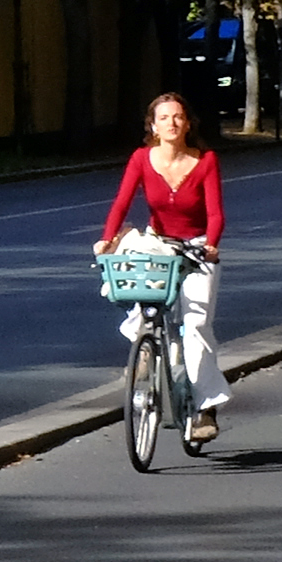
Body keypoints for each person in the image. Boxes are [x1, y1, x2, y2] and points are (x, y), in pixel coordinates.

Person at [96, 91, 229, 450]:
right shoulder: (141, 159)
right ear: (152, 127)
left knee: (197, 324)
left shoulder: (205, 161)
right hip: (159, 245)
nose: (171, 123)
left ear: (187, 124)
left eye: (178, 117)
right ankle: (144, 360)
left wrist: (211, 243)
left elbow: (216, 213)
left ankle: (205, 409)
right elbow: (122, 202)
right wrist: (107, 239)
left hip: (197, 247)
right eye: (164, 118)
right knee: (144, 305)